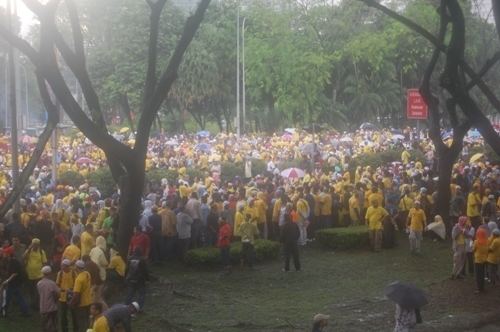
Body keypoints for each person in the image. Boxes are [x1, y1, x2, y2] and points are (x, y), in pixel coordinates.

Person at [1, 246, 30, 317]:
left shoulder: (14, 262)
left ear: (8, 254)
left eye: (5, 253)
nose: (3, 254)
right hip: (15, 283)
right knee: (19, 296)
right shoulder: (9, 261)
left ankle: (4, 312)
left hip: (14, 282)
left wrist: (7, 281)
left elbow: (14, 274)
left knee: (7, 297)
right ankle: (25, 311)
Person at [24, 237, 47, 310]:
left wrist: (44, 273)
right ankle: (32, 303)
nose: (35, 246)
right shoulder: (29, 251)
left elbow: (44, 262)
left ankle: (37, 304)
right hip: (30, 274)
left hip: (39, 275)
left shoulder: (41, 251)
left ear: (39, 245)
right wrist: (28, 249)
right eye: (33, 244)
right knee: (31, 290)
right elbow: (23, 257)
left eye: (36, 244)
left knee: (37, 290)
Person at [70, 259, 92, 332]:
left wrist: (71, 303)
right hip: (89, 301)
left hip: (81, 304)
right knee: (87, 321)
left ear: (77, 267)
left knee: (81, 323)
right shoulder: (87, 274)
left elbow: (76, 294)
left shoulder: (79, 279)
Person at [56, 259, 78, 332]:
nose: (62, 267)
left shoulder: (73, 273)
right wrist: (61, 290)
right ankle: (64, 330)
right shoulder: (60, 273)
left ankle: (76, 329)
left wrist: (72, 290)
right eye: (62, 266)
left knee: (74, 315)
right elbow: (57, 284)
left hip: (71, 297)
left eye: (64, 266)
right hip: (62, 298)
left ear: (68, 266)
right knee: (63, 316)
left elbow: (77, 284)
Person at [37, 265, 60, 332]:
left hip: (43, 308)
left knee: (44, 326)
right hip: (52, 308)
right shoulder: (52, 284)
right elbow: (58, 294)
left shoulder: (39, 283)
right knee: (53, 326)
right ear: (50, 273)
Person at [473, 228, 489, 293]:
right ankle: (482, 287)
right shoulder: (487, 241)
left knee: (478, 275)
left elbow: (473, 249)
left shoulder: (476, 242)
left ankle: (479, 289)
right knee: (482, 274)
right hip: (485, 259)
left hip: (478, 260)